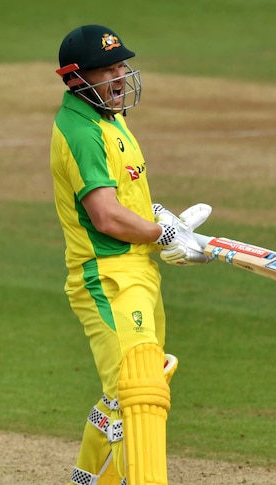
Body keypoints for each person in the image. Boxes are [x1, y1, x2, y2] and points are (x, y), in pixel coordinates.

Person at [49, 24, 211, 485]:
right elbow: (104, 216)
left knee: (133, 389)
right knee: (139, 393)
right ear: (78, 79)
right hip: (108, 277)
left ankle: (88, 478)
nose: (121, 76)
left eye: (122, 65)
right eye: (109, 69)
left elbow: (124, 197)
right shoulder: (80, 132)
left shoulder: (107, 116)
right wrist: (162, 233)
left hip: (136, 272)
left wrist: (159, 217)